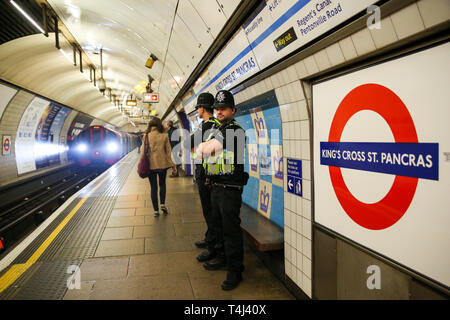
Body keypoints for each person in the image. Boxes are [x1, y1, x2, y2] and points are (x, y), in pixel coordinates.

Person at [196, 90, 247, 291]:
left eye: (223, 108)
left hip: (230, 189)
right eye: (217, 109)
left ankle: (236, 271)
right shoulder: (220, 130)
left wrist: (205, 146)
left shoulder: (235, 130)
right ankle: (224, 259)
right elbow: (201, 149)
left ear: (233, 110)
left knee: (231, 231)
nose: (219, 112)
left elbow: (204, 150)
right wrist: (205, 147)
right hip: (216, 186)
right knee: (219, 227)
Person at [184, 92, 221, 262]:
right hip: (206, 170)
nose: (197, 111)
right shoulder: (209, 124)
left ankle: (212, 247)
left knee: (209, 210)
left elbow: (188, 144)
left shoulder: (207, 125)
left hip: (206, 173)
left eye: (198, 107)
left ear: (202, 108)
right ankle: (210, 238)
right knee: (209, 210)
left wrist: (197, 148)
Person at [140, 117, 176, 217]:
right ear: (160, 125)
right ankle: (162, 204)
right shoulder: (164, 136)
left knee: (153, 188)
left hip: (150, 167)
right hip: (162, 165)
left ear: (150, 126)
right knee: (162, 184)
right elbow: (168, 153)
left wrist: (139, 165)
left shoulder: (146, 136)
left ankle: (156, 211)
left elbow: (142, 152)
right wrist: (173, 166)